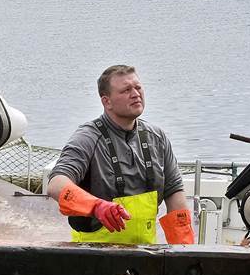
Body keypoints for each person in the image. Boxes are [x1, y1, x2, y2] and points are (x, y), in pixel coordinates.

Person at [45, 66, 196, 245]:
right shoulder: (88, 138)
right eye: (126, 90)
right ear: (106, 101)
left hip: (145, 252)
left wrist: (185, 254)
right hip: (92, 252)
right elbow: (56, 185)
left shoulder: (157, 138)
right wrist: (97, 206)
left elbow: (175, 195)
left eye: (138, 87)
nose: (135, 94)